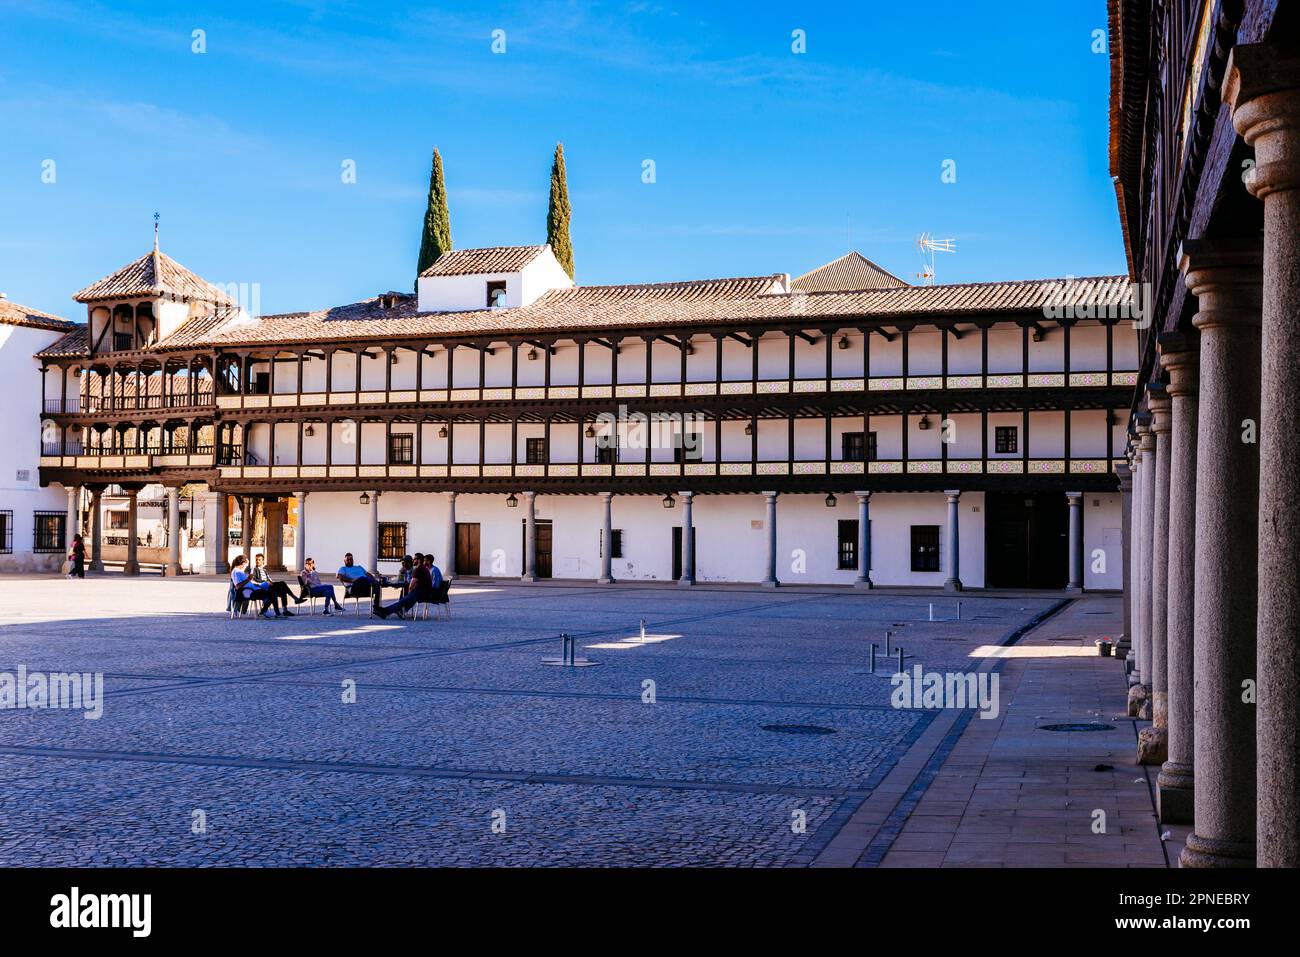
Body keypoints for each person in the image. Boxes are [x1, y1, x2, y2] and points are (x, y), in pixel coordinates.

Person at [375, 553, 434, 620]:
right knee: (405, 600)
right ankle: (398, 611)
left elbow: (411, 586)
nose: (413, 560)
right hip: (424, 592)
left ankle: (385, 612)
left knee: (403, 601)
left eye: (414, 559)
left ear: (419, 560)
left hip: (422, 593)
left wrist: (409, 594)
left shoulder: (418, 570)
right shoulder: (423, 568)